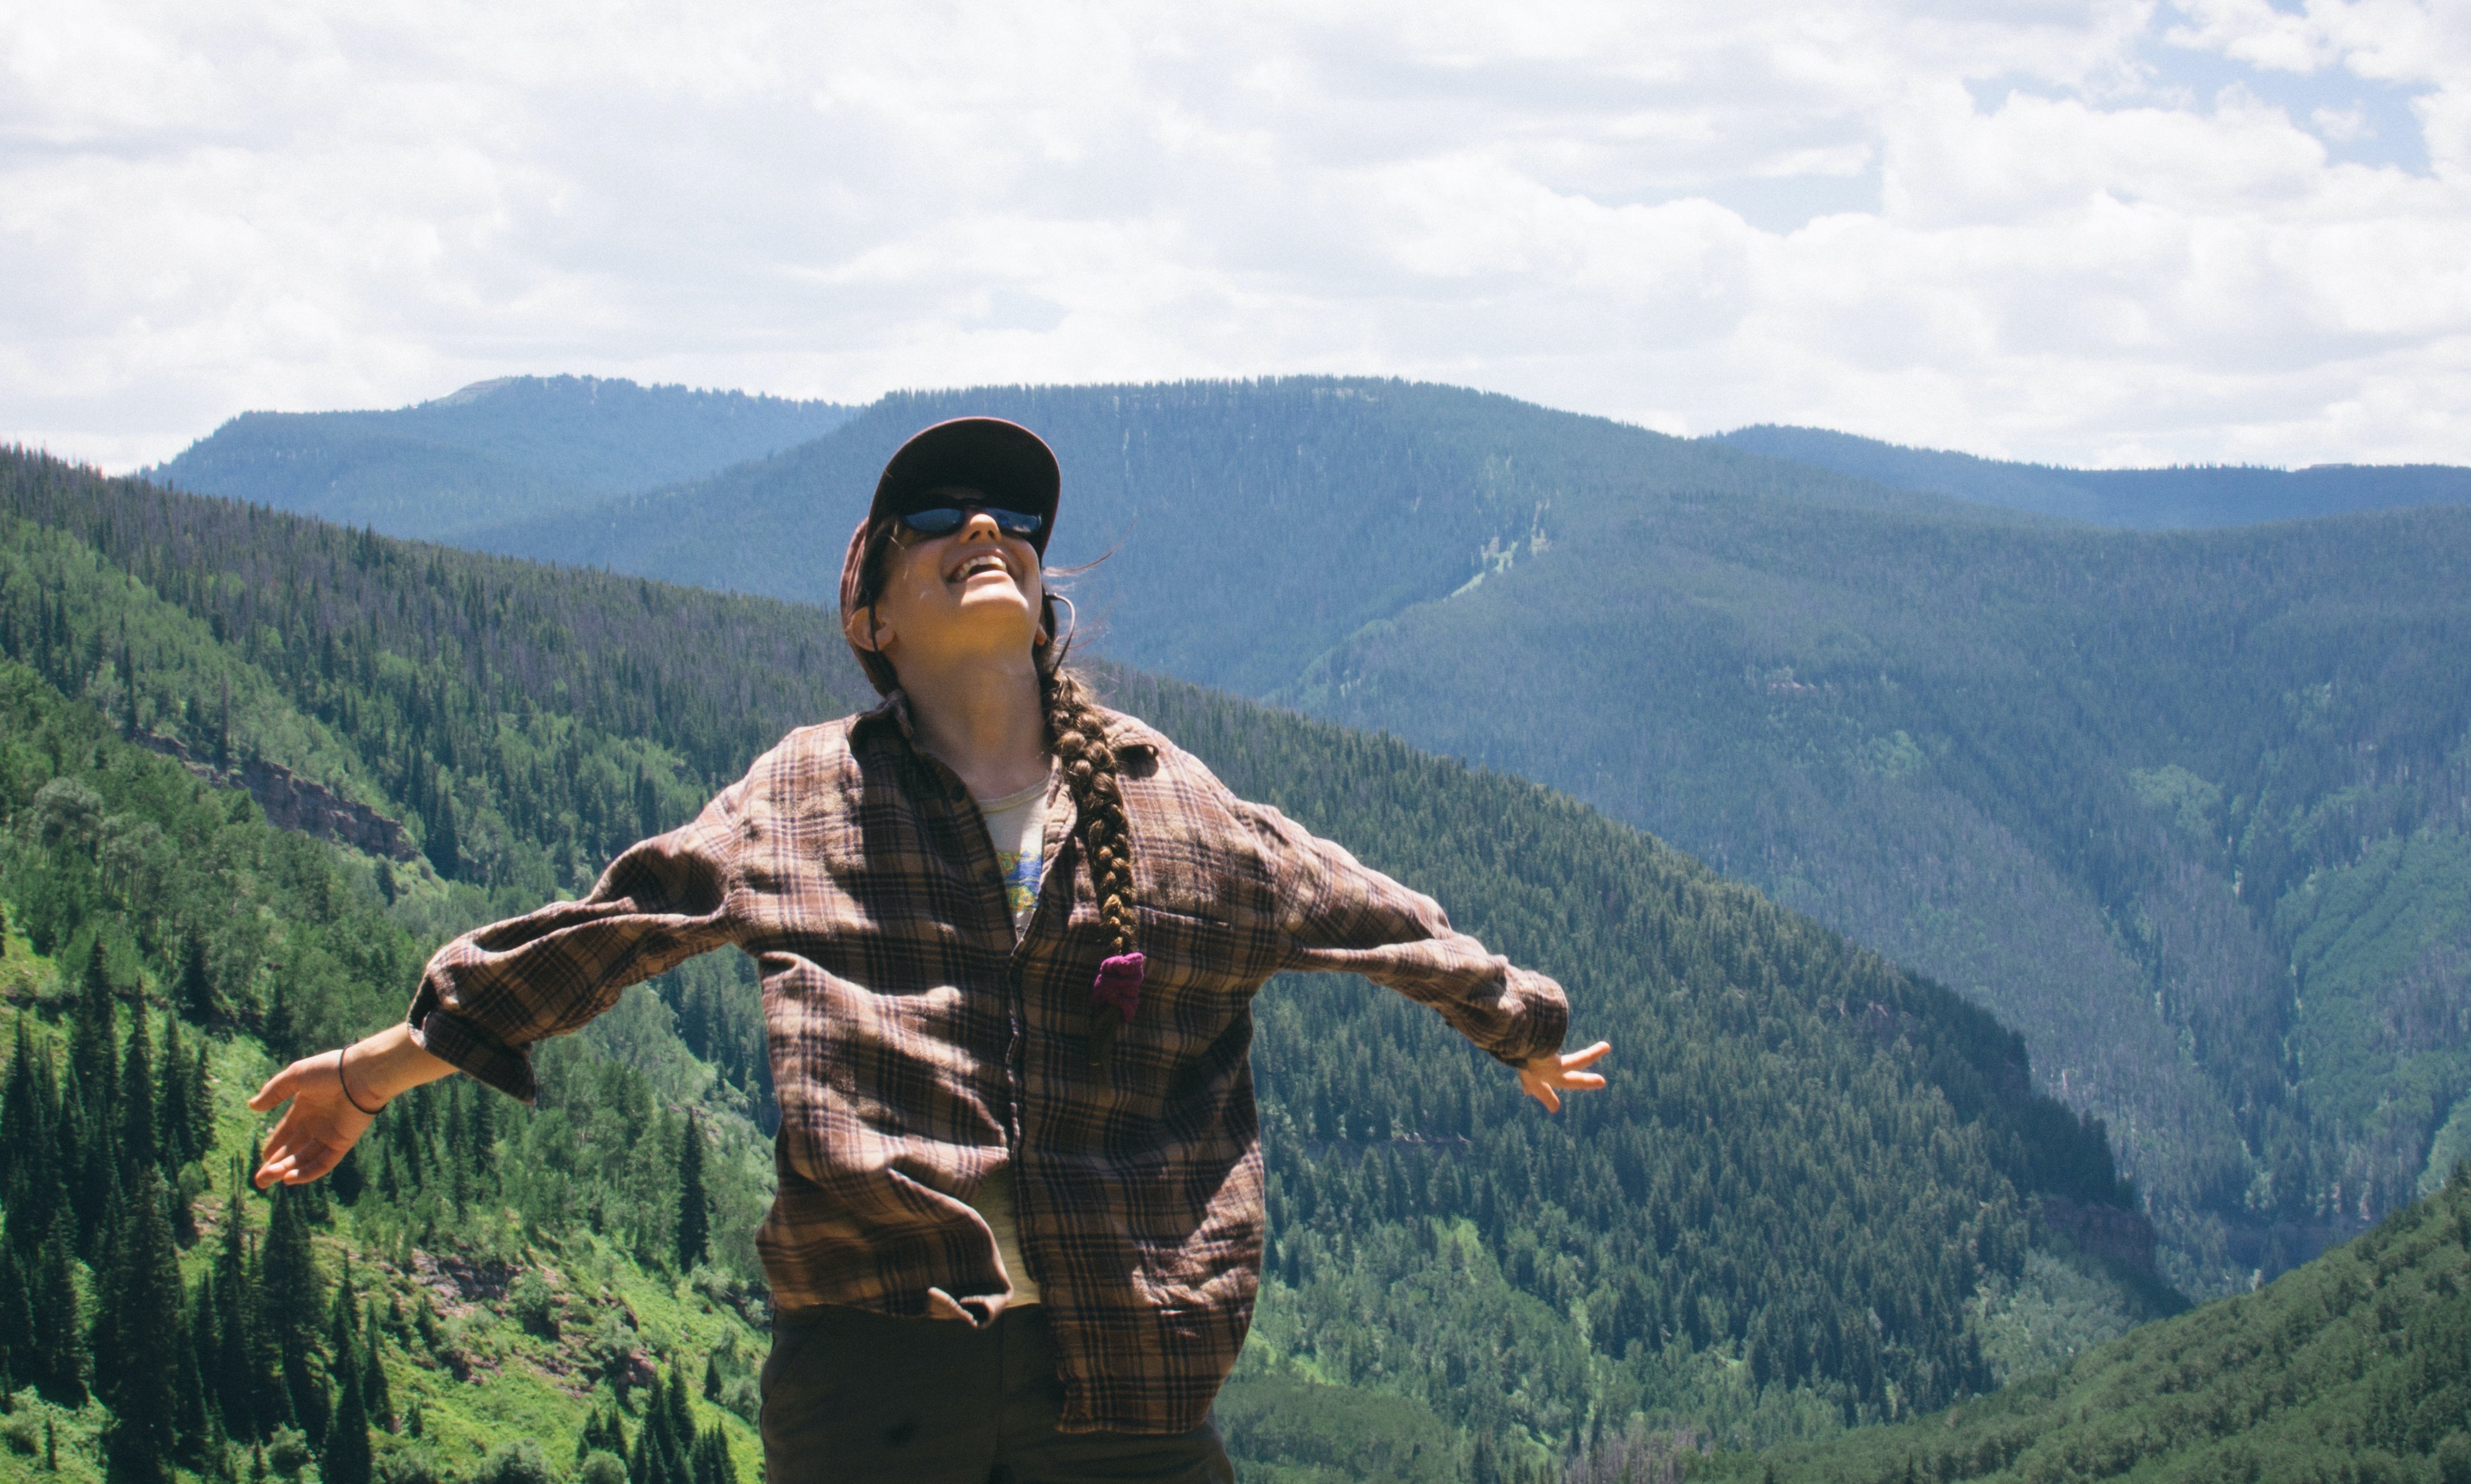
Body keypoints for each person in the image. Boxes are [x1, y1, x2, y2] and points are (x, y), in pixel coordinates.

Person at [251, 416, 1612, 1483]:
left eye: (1013, 520)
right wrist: (372, 1073)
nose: (983, 527)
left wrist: (1521, 1027)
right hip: (877, 1384)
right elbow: (613, 931)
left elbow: (1369, 916)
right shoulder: (804, 798)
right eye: (933, 519)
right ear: (872, 620)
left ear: (1042, 596)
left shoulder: (1175, 809)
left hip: (1130, 1384)